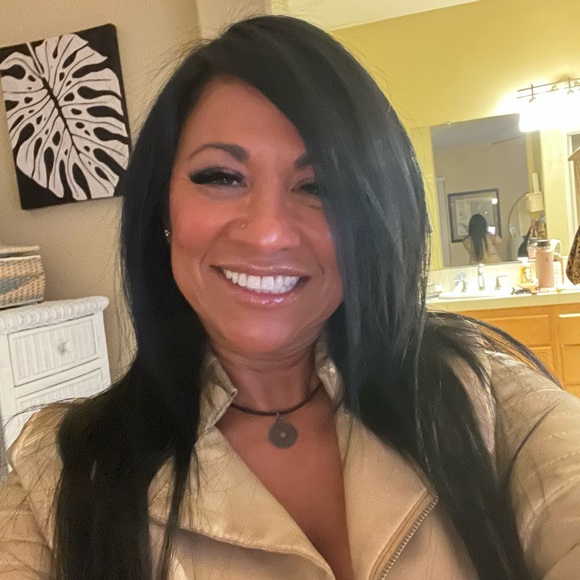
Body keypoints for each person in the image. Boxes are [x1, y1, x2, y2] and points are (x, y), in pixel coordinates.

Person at [1, 15, 580, 580]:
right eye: (221, 177)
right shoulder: (61, 476)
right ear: (163, 210)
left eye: (318, 186)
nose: (268, 233)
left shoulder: (487, 401)